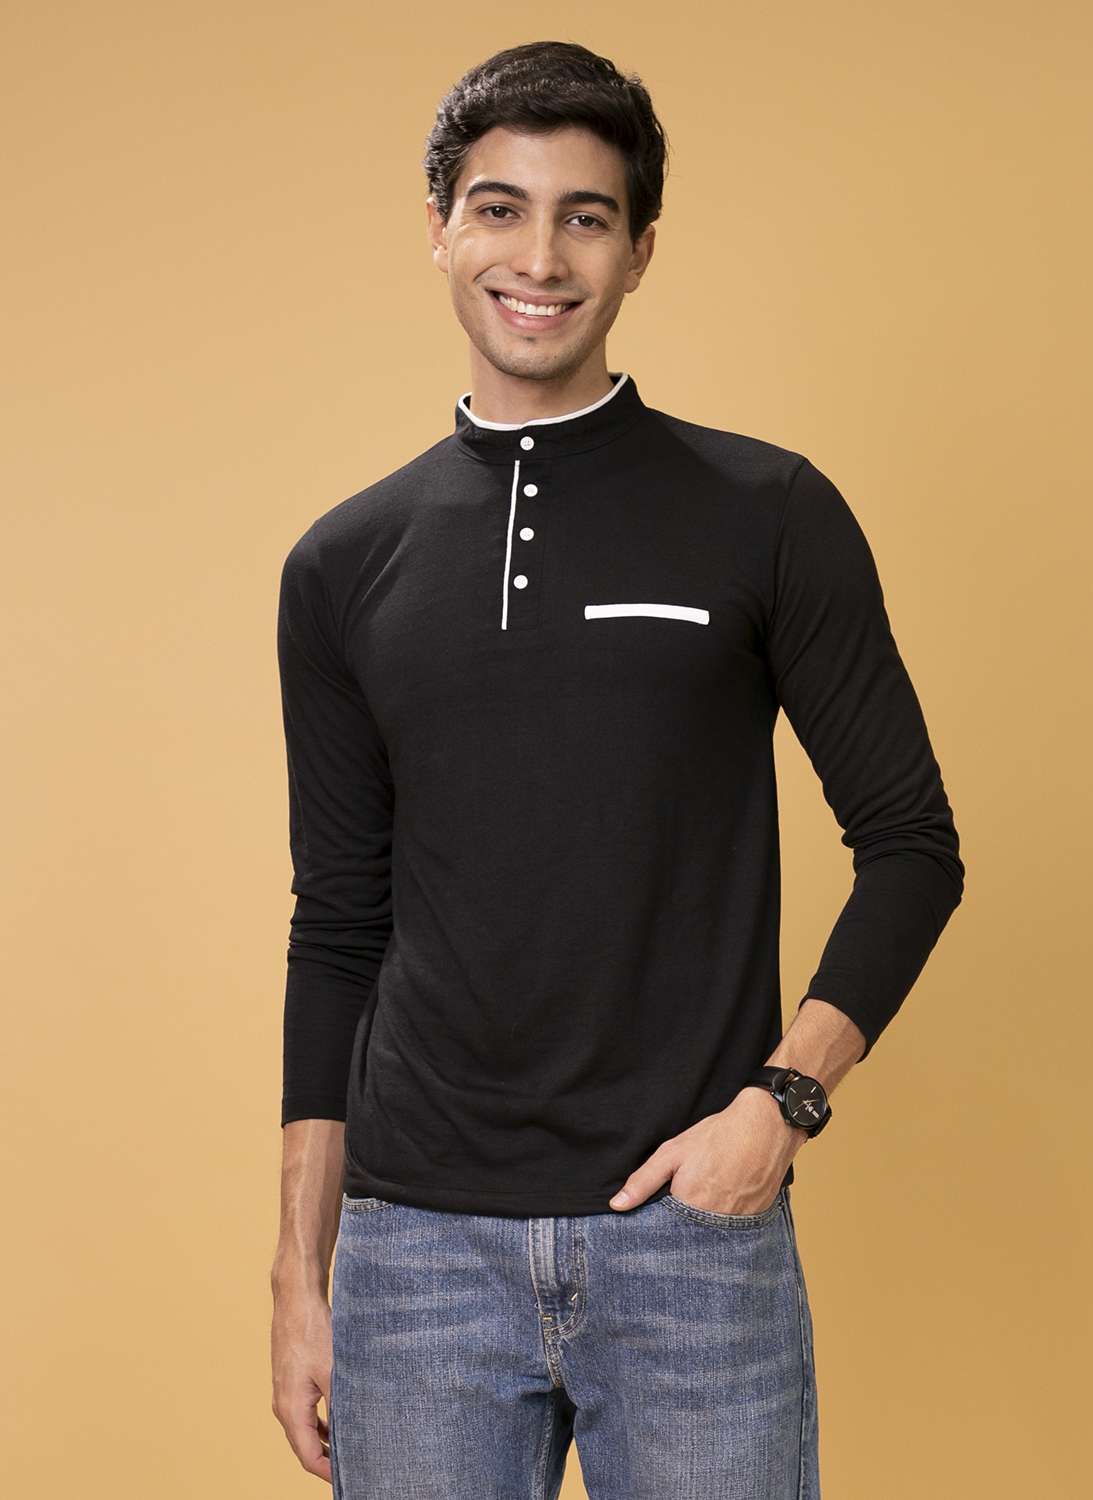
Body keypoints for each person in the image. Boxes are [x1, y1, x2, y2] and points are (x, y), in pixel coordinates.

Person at [269, 38, 964, 1500]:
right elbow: (337, 925)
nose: (539, 257)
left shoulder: (766, 511)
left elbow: (910, 843)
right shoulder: (343, 562)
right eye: (499, 208)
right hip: (415, 1257)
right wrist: (298, 1275)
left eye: (583, 217)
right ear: (441, 229)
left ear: (640, 250)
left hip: (690, 1245)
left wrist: (780, 1108)